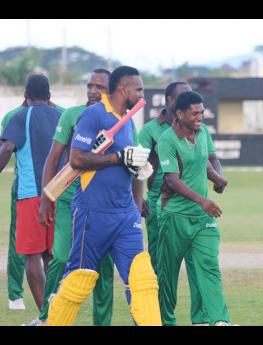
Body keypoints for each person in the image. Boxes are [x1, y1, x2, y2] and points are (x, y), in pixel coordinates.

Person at [47, 66, 161, 326]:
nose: (143, 94)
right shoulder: (93, 115)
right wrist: (119, 157)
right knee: (79, 279)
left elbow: (124, 163)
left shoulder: (128, 120)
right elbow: (76, 159)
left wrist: (135, 167)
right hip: (92, 212)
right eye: (139, 89)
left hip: (124, 215)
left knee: (142, 277)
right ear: (123, 89)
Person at [24, 69, 115, 326]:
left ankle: (102, 323)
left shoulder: (118, 119)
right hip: (69, 199)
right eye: (89, 85)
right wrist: (46, 199)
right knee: (61, 258)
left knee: (103, 268)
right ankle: (47, 318)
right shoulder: (72, 114)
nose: (92, 90)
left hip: (104, 204)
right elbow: (53, 159)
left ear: (113, 90)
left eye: (99, 86)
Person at [138, 82, 227, 325]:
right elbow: (172, 180)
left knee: (208, 266)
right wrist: (202, 200)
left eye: (202, 112)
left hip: (201, 216)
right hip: (172, 214)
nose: (201, 117)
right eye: (195, 113)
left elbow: (207, 161)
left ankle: (218, 320)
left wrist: (218, 179)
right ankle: (165, 321)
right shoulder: (165, 139)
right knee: (166, 276)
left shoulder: (203, 132)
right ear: (179, 112)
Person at [1, 74, 65, 311]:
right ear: (49, 96)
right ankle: (55, 309)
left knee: (32, 256)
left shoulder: (21, 116)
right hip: (58, 193)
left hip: (31, 195)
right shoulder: (61, 116)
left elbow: (7, 147)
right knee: (50, 256)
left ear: (26, 96)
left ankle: (45, 314)